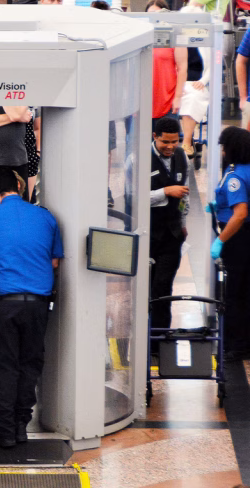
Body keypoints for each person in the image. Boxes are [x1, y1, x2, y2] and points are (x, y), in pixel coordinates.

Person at [0, 167, 63, 448]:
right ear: (20, 188)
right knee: (29, 363)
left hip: (0, 306)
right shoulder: (45, 216)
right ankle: (21, 426)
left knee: (1, 365)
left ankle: (4, 430)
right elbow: (55, 262)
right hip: (37, 305)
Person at [148, 117, 189, 347]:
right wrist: (164, 191)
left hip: (172, 236)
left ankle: (160, 342)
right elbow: (134, 199)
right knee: (147, 291)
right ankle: (146, 338)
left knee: (163, 289)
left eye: (175, 141)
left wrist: (183, 223)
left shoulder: (182, 156)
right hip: (149, 236)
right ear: (155, 136)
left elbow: (185, 193)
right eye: (166, 142)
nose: (171, 146)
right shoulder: (138, 159)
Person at [210, 127, 250, 360]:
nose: (223, 151)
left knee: (232, 291)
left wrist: (220, 240)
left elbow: (240, 213)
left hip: (237, 237)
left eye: (224, 147)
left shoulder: (235, 176)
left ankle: (235, 344)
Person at [147, 0, 186, 127]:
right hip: (143, 102)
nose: (154, 18)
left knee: (167, 142)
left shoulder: (174, 35)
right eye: (151, 14)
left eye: (157, 14)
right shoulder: (140, 38)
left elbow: (182, 68)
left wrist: (178, 97)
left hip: (166, 100)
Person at [179, 1, 210, 158]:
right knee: (184, 94)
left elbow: (213, 67)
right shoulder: (177, 39)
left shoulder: (205, 40)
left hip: (198, 82)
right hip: (179, 82)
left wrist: (203, 81)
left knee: (193, 97)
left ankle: (186, 141)